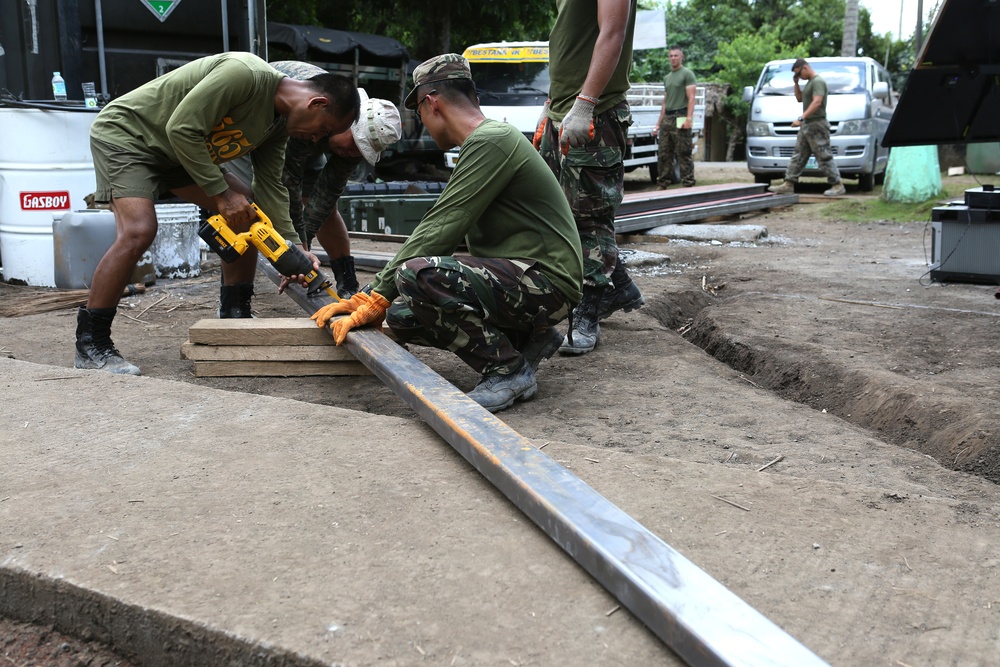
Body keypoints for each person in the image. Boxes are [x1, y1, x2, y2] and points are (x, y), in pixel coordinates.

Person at [311, 54, 583, 413]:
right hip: (530, 278)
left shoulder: (493, 140)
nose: (423, 122)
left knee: (417, 275)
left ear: (431, 103)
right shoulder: (486, 142)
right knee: (405, 314)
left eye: (420, 113)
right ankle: (529, 338)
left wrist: (376, 295)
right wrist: (375, 295)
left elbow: (441, 226)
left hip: (548, 281)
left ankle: (508, 370)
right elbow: (448, 233)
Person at [76, 52, 360, 376]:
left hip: (177, 156)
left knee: (248, 210)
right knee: (140, 230)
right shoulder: (244, 75)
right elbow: (181, 128)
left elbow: (270, 185)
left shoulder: (278, 124)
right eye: (323, 130)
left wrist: (293, 250)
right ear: (317, 104)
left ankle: (234, 316)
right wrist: (223, 195)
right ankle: (91, 344)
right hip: (130, 138)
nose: (317, 139)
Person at [235, 61, 402, 300]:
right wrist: (294, 253)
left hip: (315, 137)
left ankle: (348, 283)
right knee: (249, 203)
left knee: (327, 209)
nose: (354, 154)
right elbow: (286, 185)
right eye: (356, 146)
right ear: (349, 125)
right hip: (265, 130)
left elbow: (324, 196)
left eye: (362, 151)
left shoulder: (352, 146)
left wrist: (304, 252)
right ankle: (236, 298)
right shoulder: (311, 115)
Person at [534, 0, 645, 356]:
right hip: (561, 111)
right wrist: (550, 107)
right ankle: (618, 285)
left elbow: (612, 33)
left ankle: (588, 313)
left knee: (590, 216)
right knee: (556, 211)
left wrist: (585, 103)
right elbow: (572, 44)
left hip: (595, 110)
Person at [768, 58, 846, 197]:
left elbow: (817, 103)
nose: (799, 77)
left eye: (798, 74)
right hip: (807, 125)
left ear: (805, 68)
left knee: (823, 155)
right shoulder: (810, 83)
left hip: (817, 124)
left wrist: (801, 118)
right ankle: (789, 184)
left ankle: (837, 184)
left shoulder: (818, 82)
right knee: (798, 155)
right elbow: (799, 98)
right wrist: (796, 83)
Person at [653, 47, 696, 189]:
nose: (673, 58)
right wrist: (659, 123)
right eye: (671, 56)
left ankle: (688, 183)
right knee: (664, 153)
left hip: (681, 115)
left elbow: (691, 98)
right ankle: (662, 183)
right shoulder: (667, 77)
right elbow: (665, 102)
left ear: (682, 56)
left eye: (676, 55)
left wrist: (689, 119)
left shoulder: (687, 74)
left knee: (684, 152)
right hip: (668, 117)